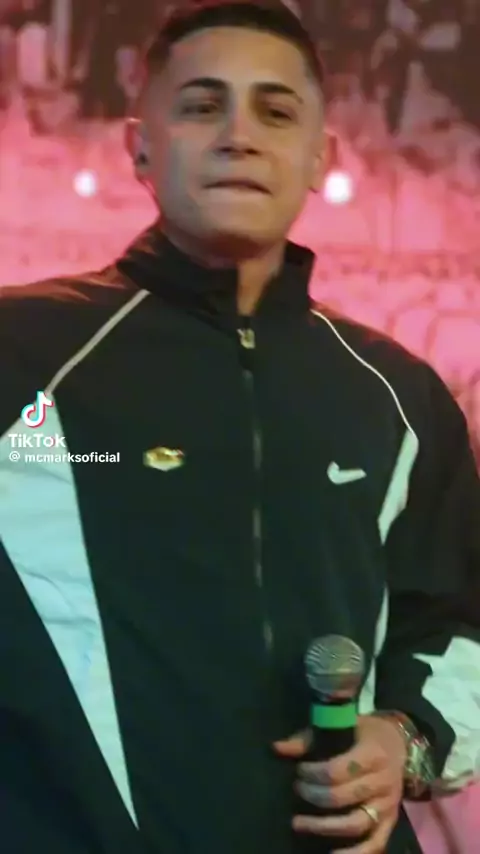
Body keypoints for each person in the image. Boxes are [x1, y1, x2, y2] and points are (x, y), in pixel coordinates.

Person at [0, 2, 479, 853]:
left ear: (320, 155)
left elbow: (458, 625)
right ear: (140, 146)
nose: (239, 136)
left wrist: (402, 738)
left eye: (276, 111)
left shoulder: (397, 396)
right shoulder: (22, 356)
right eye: (201, 105)